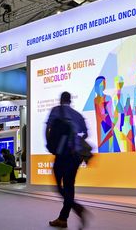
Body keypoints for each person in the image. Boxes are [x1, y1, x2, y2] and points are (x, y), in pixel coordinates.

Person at [47, 91, 88, 229]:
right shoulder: (77, 115)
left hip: (62, 154)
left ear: (61, 100)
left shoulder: (55, 111)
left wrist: (50, 145)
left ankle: (76, 209)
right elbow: (85, 133)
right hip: (75, 156)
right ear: (70, 101)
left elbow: (48, 129)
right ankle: (63, 218)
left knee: (59, 186)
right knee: (69, 186)